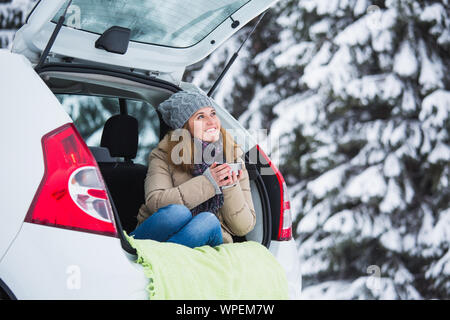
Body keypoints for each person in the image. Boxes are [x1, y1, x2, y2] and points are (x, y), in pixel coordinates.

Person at [130, 90, 256, 248]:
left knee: (208, 221)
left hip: (207, 236)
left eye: (212, 113)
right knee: (178, 213)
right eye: (200, 117)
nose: (211, 122)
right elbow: (155, 203)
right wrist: (208, 183)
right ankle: (152, 255)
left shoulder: (232, 155)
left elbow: (243, 227)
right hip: (159, 233)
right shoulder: (163, 155)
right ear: (184, 127)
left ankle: (159, 261)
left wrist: (229, 186)